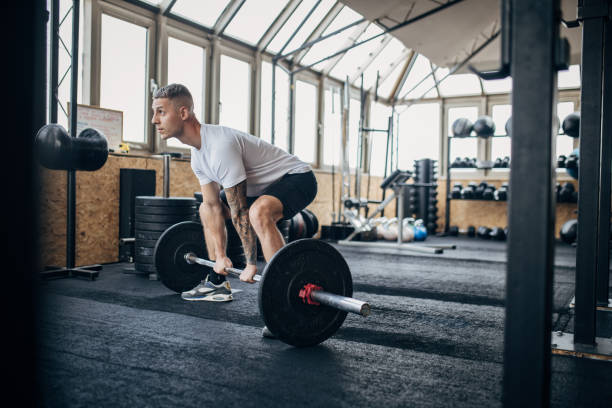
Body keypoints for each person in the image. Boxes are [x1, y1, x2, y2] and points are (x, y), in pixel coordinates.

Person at [151, 83, 317, 326]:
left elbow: (239, 210)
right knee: (206, 208)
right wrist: (220, 257)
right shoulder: (199, 155)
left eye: (160, 112)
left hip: (296, 178)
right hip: (260, 189)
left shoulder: (220, 146)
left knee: (259, 212)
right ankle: (217, 281)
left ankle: (287, 292)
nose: (154, 120)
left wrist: (251, 264)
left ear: (183, 113)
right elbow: (212, 205)